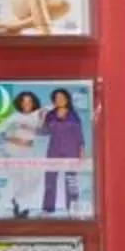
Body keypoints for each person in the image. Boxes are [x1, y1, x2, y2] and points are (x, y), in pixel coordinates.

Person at [41, 86, 87, 215]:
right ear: (53, 101)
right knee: (50, 179)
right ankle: (48, 209)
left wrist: (82, 150)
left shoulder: (73, 115)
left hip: (71, 150)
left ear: (67, 99)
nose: (59, 100)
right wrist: (42, 119)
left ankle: (72, 209)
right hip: (53, 150)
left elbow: (79, 134)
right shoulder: (50, 115)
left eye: (62, 97)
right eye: (56, 98)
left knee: (71, 180)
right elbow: (44, 132)